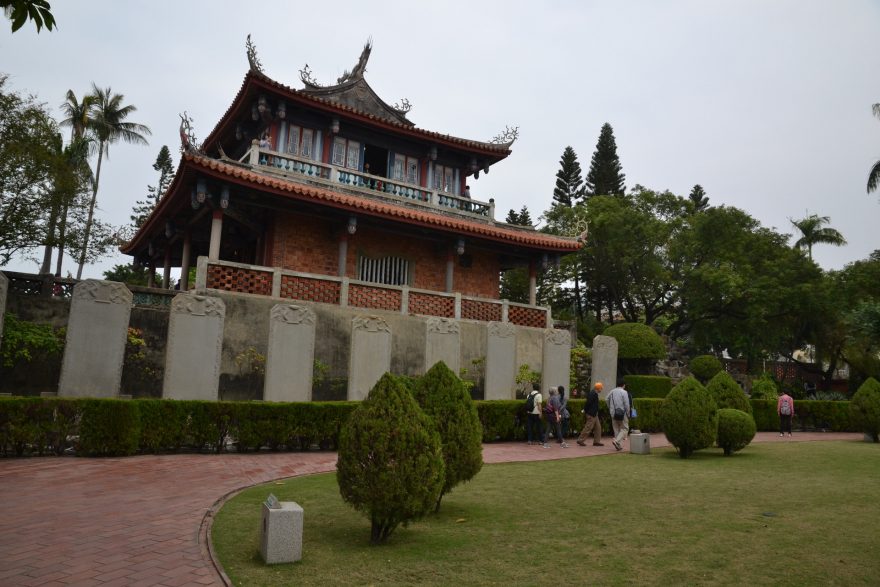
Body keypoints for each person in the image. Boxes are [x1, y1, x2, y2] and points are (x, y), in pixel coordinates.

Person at [576, 382, 604, 446]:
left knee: (598, 428)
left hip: (594, 414)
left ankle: (596, 441)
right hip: (591, 414)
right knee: (588, 427)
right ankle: (580, 440)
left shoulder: (594, 393)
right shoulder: (593, 394)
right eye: (601, 388)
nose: (601, 390)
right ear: (598, 388)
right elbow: (588, 403)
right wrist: (585, 410)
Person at [606, 379, 630, 451]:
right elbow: (626, 404)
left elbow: (606, 399)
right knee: (625, 428)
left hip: (613, 412)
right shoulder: (624, 392)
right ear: (623, 385)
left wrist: (610, 408)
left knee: (616, 429)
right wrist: (628, 413)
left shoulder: (612, 391)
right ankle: (616, 441)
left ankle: (618, 445)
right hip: (622, 413)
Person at [526, 383, 548, 448]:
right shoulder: (539, 395)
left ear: (533, 388)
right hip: (536, 412)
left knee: (530, 427)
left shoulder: (529, 395)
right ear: (538, 388)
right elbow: (539, 405)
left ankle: (529, 440)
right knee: (539, 427)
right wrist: (541, 413)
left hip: (529, 412)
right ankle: (541, 440)